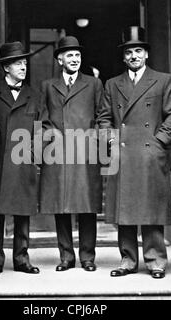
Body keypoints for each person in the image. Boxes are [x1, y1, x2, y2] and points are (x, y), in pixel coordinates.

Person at [97, 26, 171, 279]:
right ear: (124, 58)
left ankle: (156, 260)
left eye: (138, 51)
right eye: (129, 52)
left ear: (146, 54)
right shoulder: (112, 84)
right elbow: (103, 117)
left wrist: (157, 144)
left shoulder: (163, 80)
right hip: (123, 155)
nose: (134, 56)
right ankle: (128, 259)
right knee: (125, 211)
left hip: (149, 154)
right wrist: (111, 141)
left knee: (150, 208)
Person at [40, 36, 104, 272]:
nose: (75, 59)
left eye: (77, 55)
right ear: (60, 59)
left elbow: (102, 115)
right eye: (70, 55)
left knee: (87, 206)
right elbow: (42, 117)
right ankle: (66, 256)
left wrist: (94, 140)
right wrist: (50, 137)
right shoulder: (47, 85)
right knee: (61, 205)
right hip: (57, 153)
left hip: (85, 152)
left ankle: (87, 256)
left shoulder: (94, 84)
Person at [0, 41, 49, 276]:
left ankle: (22, 259)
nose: (23, 67)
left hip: (24, 160)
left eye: (24, 63)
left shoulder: (35, 94)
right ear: (6, 68)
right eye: (17, 63)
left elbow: (44, 126)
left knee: (23, 211)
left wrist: (34, 152)